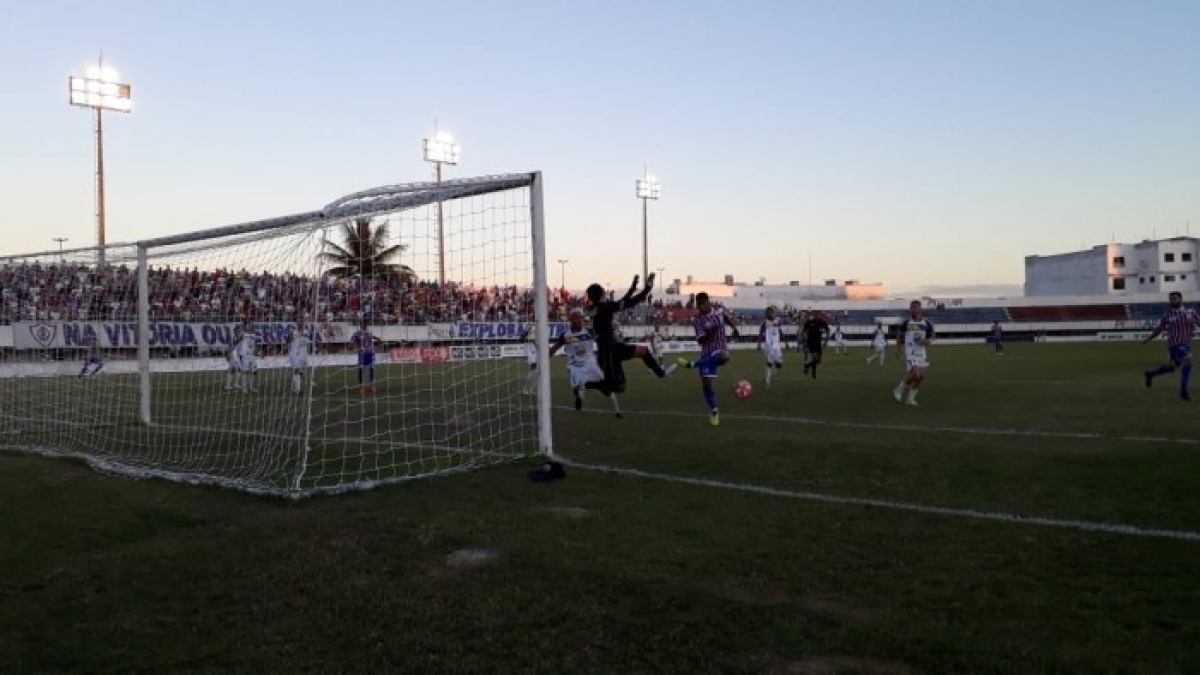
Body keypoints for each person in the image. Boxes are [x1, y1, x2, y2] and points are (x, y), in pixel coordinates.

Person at [584, 273, 674, 398]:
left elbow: (623, 301)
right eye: (603, 291)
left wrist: (633, 287)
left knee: (643, 351)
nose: (605, 292)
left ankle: (661, 373)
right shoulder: (604, 307)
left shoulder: (595, 307)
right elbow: (629, 302)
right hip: (608, 354)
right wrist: (647, 288)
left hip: (612, 347)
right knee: (617, 387)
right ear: (601, 293)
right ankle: (593, 385)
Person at [676, 292, 741, 426]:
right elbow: (700, 340)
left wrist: (734, 328)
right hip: (706, 351)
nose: (700, 307)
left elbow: (724, 317)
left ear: (708, 302)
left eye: (703, 304)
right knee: (706, 385)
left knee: (724, 356)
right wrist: (710, 330)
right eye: (698, 305)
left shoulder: (718, 311)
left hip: (720, 347)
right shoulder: (697, 320)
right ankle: (714, 411)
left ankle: (691, 364)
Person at [549, 308, 622, 417]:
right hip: (574, 365)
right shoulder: (565, 335)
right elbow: (554, 348)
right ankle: (579, 397)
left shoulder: (589, 331)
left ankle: (617, 411)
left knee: (605, 387)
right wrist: (545, 358)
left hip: (589, 363)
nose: (581, 320)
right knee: (576, 388)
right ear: (571, 319)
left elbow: (604, 335)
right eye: (578, 318)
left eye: (581, 318)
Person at [1141, 291, 1200, 400]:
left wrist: (1194, 322)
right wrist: (1148, 339)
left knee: (1172, 368)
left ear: (1181, 299)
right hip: (1174, 344)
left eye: (1174, 299)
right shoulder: (1168, 314)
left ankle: (1150, 373)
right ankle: (1183, 391)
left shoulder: (1191, 312)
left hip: (1185, 344)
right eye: (1171, 299)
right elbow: (1159, 329)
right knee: (1187, 363)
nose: (1172, 301)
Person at [894, 300, 934, 406]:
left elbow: (931, 337)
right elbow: (899, 336)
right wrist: (898, 350)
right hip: (910, 351)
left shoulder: (927, 323)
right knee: (916, 374)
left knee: (920, 377)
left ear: (920, 309)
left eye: (915, 307)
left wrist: (928, 342)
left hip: (921, 352)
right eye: (911, 307)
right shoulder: (906, 323)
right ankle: (899, 389)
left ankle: (910, 399)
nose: (912, 309)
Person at [757, 306, 785, 387]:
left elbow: (780, 331)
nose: (769, 313)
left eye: (771, 312)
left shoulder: (777, 321)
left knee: (779, 365)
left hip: (777, 346)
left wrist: (786, 342)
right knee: (769, 362)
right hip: (769, 345)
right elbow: (760, 334)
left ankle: (768, 376)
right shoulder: (764, 323)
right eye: (767, 312)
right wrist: (758, 344)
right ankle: (767, 379)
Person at [351, 320, 378, 394]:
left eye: (366, 324)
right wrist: (353, 347)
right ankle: (361, 386)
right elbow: (352, 341)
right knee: (361, 368)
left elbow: (373, 337)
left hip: (370, 352)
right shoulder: (356, 333)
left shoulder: (369, 332)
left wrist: (378, 339)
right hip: (362, 353)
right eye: (363, 324)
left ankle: (372, 385)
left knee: (372, 368)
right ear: (360, 325)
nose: (365, 325)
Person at [800, 311, 830, 379]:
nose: (817, 316)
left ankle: (807, 366)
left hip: (818, 343)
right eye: (815, 314)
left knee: (818, 361)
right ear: (813, 315)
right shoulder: (809, 322)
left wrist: (826, 340)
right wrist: (804, 336)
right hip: (811, 343)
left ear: (819, 315)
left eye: (818, 314)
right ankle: (813, 374)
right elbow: (803, 331)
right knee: (815, 358)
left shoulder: (822, 322)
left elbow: (827, 330)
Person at [288, 317, 312, 395]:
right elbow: (290, 338)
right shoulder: (293, 331)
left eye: (302, 321)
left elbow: (307, 341)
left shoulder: (306, 331)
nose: (300, 322)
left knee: (300, 372)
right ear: (296, 322)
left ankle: (294, 387)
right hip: (294, 354)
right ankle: (298, 390)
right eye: (299, 321)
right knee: (297, 370)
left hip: (303, 354)